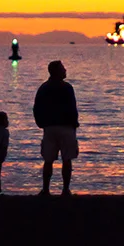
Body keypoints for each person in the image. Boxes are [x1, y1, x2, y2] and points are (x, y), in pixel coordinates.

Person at [32, 59, 79, 195]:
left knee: (48, 160)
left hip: (49, 127)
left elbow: (37, 107)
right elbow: (72, 108)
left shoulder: (44, 87)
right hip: (65, 127)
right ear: (57, 71)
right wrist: (74, 124)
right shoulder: (67, 87)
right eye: (63, 68)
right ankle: (65, 189)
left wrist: (40, 123)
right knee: (67, 159)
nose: (65, 70)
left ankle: (46, 189)